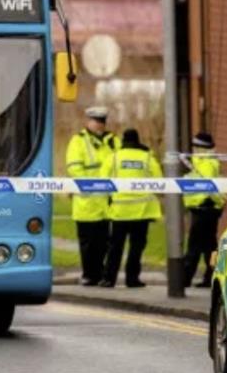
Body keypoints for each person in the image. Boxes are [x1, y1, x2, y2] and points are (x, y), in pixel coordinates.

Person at [99, 128, 162, 288]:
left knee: (115, 248)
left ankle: (108, 279)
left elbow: (102, 181)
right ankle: (132, 279)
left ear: (123, 141)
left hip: (120, 212)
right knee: (136, 248)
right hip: (142, 212)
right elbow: (159, 182)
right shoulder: (148, 158)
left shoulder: (113, 158)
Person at [65, 106, 117, 286]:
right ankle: (89, 274)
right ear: (88, 122)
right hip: (86, 201)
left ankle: (100, 273)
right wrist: (92, 184)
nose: (99, 125)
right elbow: (74, 167)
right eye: (96, 121)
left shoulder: (113, 141)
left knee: (104, 242)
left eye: (102, 121)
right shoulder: (78, 141)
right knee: (88, 243)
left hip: (107, 202)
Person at [182, 132, 226, 287]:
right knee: (209, 247)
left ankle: (185, 279)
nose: (193, 149)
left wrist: (207, 200)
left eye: (196, 146)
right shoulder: (202, 161)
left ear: (202, 147)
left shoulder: (207, 163)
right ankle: (211, 277)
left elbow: (208, 187)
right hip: (207, 208)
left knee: (194, 246)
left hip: (204, 207)